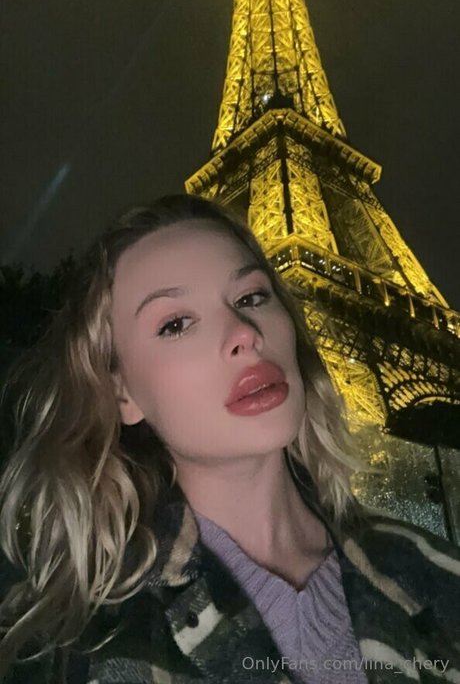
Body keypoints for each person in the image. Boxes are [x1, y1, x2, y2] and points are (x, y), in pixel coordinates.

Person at [0, 193, 459, 684]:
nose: (244, 333)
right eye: (176, 324)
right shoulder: (74, 649)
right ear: (122, 394)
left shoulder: (438, 573)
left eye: (251, 297)